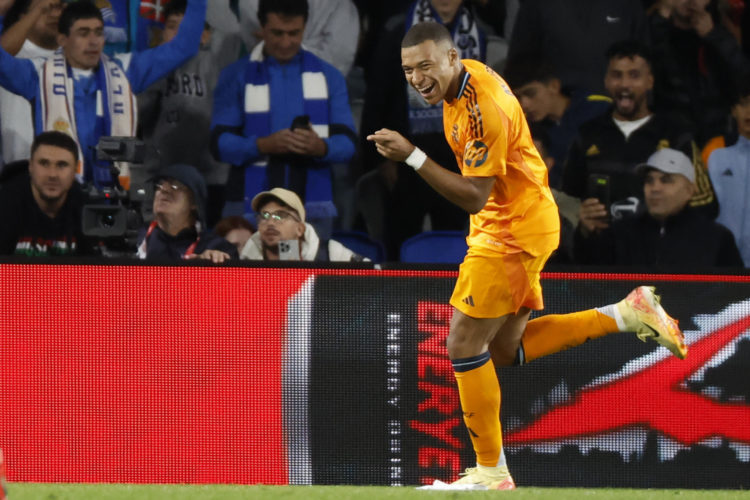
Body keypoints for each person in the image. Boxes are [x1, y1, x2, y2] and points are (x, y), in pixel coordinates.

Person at [367, 21, 687, 490]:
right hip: (517, 222)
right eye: (408, 69)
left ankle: (491, 472)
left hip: (510, 231)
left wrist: (412, 155)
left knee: (462, 345)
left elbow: (475, 196)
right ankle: (626, 314)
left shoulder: (482, 108)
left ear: (452, 57)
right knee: (502, 349)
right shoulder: (460, 84)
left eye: (425, 65)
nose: (416, 77)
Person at [0, 0, 206, 189]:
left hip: (111, 198)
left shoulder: (125, 71)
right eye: (83, 33)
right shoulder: (37, 76)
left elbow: (183, 47)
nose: (93, 41)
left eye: (98, 32)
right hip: (55, 197)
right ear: (63, 39)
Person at [210, 0, 357, 239]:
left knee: (313, 277)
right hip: (248, 206)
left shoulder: (330, 77)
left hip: (312, 209)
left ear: (304, 28)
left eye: (294, 33)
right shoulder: (235, 75)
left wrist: (320, 146)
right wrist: (262, 145)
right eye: (277, 33)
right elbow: (218, 144)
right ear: (261, 27)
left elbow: (349, 143)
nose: (286, 42)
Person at [358, 0, 486, 259]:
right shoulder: (398, 31)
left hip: (456, 156)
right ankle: (398, 297)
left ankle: (448, 297)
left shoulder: (477, 34)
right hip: (404, 156)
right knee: (399, 235)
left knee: (453, 241)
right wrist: (382, 158)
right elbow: (378, 95)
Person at [562, 40, 716, 232]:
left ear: (650, 81)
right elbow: (568, 198)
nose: (624, 84)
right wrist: (580, 216)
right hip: (601, 255)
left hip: (658, 255)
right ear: (606, 81)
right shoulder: (587, 134)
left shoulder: (676, 135)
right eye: (616, 75)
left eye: (634, 76)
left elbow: (706, 204)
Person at [137, 0, 241, 227]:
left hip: (210, 174)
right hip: (162, 173)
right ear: (162, 32)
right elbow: (137, 119)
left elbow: (232, 31)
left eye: (187, 27)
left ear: (204, 35)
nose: (179, 34)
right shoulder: (150, 64)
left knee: (206, 243)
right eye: (173, 26)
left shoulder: (216, 62)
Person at [576, 148, 743, 268]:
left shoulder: (716, 238)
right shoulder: (621, 233)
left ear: (689, 190)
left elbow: (733, 298)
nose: (655, 188)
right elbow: (589, 283)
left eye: (666, 180)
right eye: (649, 180)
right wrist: (585, 234)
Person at [648, 0, 750, 145]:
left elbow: (744, 79)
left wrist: (714, 35)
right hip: (670, 139)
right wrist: (660, 25)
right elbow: (653, 78)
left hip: (717, 137)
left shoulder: (719, 34)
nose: (691, 1)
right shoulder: (655, 31)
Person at [502, 56, 610, 188]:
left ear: (553, 86)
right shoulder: (523, 129)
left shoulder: (598, 108)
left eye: (530, 93)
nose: (524, 104)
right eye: (518, 97)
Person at [507, 0, 648, 94]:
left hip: (615, 114)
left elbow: (645, 63)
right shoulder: (538, 4)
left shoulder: (628, 4)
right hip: (557, 120)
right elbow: (519, 67)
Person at [0, 131, 93, 256]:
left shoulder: (87, 207)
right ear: (30, 166)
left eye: (62, 165)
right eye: (44, 163)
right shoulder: (5, 204)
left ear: (75, 170)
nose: (52, 174)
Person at [0, 0, 61, 167]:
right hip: (14, 169)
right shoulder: (14, 53)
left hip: (63, 168)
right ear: (23, 18)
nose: (54, 14)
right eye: (45, 8)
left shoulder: (74, 61)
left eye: (59, 6)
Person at [136, 163, 237, 263]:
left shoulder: (216, 247)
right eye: (159, 185)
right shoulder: (135, 237)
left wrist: (211, 265)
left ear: (194, 202)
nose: (164, 190)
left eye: (175, 186)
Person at [236, 0, 360, 77]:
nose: (285, 43)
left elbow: (336, 66)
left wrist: (277, 43)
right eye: (278, 33)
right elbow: (260, 51)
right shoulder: (250, 2)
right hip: (262, 86)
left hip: (319, 99)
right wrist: (312, 47)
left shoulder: (341, 5)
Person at [240, 187, 366, 261]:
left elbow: (372, 274)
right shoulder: (247, 256)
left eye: (280, 216)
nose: (270, 222)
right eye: (264, 216)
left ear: (300, 229)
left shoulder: (331, 252)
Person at [708, 82, 750, 266]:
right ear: (734, 110)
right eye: (744, 103)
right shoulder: (716, 157)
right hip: (724, 265)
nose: (749, 111)